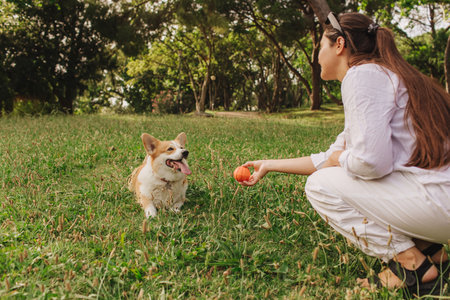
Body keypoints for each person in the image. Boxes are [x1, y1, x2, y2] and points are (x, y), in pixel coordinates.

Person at [240, 12, 450, 295]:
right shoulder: (383, 74)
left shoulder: (361, 76)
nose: (316, 57)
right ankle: (432, 252)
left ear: (339, 45)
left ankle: (414, 266)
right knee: (330, 175)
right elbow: (331, 155)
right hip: (439, 204)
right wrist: (269, 164)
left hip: (440, 205)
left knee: (319, 187)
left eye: (320, 48)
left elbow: (369, 162)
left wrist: (338, 160)